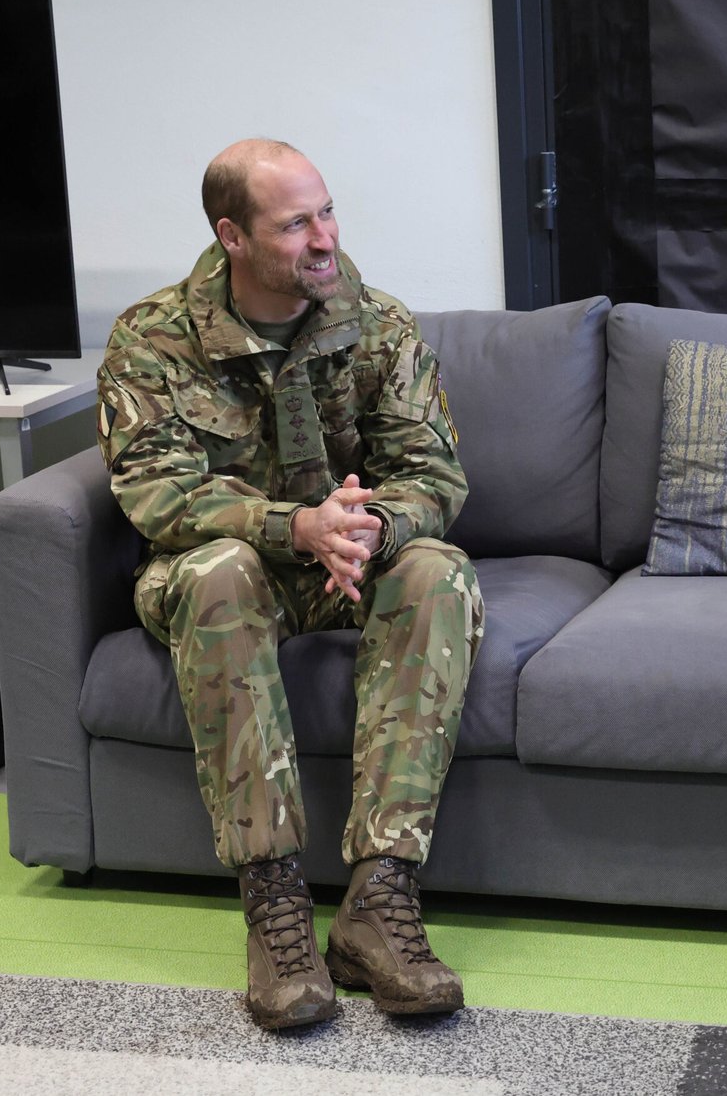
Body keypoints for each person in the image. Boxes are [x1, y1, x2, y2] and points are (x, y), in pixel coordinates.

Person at [96, 139, 484, 1029]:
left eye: (327, 211)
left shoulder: (377, 321)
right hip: (219, 574)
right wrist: (290, 526)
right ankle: (275, 910)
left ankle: (378, 902)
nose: (324, 238)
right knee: (226, 572)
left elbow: (435, 471)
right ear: (232, 235)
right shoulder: (152, 337)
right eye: (296, 222)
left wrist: (373, 526)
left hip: (340, 565)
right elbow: (156, 491)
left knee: (437, 570)